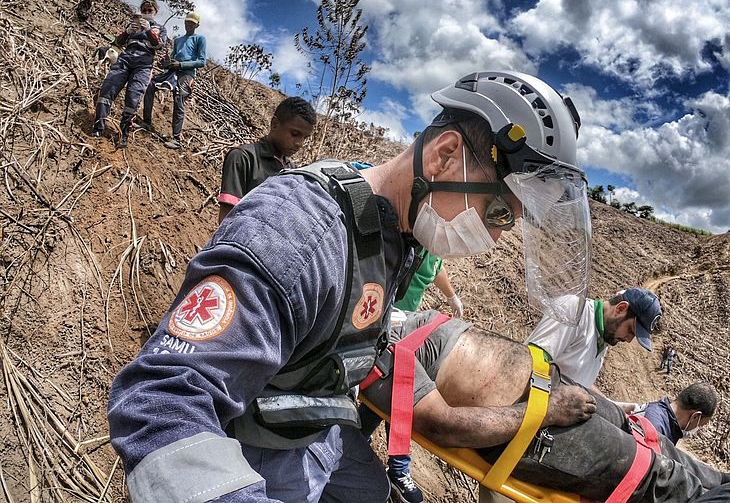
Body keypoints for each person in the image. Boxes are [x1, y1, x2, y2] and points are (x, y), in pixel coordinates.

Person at [107, 71, 592, 502]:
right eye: (501, 213)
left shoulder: (396, 237)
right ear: (445, 158)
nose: (498, 236)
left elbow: (351, 339)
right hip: (259, 448)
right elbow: (161, 399)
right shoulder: (297, 230)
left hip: (319, 432)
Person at [362, 312, 730, 502]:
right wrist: (549, 410)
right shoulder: (375, 360)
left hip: (550, 389)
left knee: (653, 440)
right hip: (536, 429)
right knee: (654, 475)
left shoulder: (392, 315)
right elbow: (444, 425)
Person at [366, 249, 464, 503]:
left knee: (396, 396)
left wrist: (452, 297)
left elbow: (435, 268)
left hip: (409, 328)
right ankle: (397, 468)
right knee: (401, 393)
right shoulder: (414, 236)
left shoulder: (435, 244)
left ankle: (361, 442)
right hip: (385, 322)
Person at [525, 288, 662, 389]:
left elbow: (579, 383)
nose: (628, 339)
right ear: (620, 308)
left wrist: (617, 408)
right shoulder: (575, 311)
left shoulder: (604, 337)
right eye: (631, 330)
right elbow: (530, 361)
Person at [217, 96, 316, 224]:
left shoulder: (293, 172)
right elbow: (226, 220)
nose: (300, 143)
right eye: (295, 134)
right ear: (274, 124)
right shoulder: (243, 158)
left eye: (305, 138)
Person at [91, 0, 167, 148]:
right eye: (144, 10)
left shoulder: (160, 28)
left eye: (149, 11)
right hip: (126, 58)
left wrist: (149, 31)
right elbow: (118, 42)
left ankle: (123, 134)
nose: (146, 13)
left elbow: (159, 45)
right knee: (107, 89)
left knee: (133, 98)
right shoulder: (133, 24)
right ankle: (98, 127)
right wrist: (127, 32)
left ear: (155, 12)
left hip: (144, 64)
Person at [139, 11, 207, 150]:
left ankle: (176, 139)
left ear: (197, 25)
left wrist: (182, 65)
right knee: (151, 85)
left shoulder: (200, 39)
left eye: (192, 23)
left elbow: (201, 61)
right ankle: (146, 122)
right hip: (173, 71)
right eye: (187, 22)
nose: (189, 25)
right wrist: (166, 62)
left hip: (187, 73)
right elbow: (172, 57)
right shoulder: (178, 40)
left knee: (179, 99)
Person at [636, 382, 717, 445]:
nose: (697, 428)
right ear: (695, 417)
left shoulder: (657, 413)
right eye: (700, 425)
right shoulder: (655, 430)